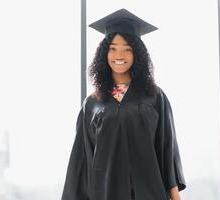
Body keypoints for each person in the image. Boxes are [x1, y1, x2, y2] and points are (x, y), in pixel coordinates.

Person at [61, 8, 186, 200]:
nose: (120, 55)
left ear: (137, 54)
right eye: (113, 48)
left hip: (149, 192)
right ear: (105, 53)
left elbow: (167, 150)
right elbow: (81, 162)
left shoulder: (154, 97)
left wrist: (175, 196)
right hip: (105, 193)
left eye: (128, 49)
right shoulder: (92, 105)